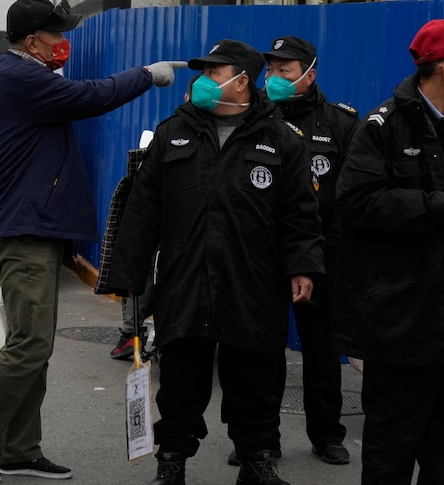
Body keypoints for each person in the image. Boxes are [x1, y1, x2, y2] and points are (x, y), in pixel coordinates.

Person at [0, 0, 185, 483]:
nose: (62, 42)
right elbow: (91, 96)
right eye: (55, 34)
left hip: (38, 228)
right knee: (29, 344)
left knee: (36, 345)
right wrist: (144, 75)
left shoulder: (21, 75)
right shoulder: (18, 76)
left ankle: (22, 451)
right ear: (32, 42)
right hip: (25, 230)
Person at [107, 39, 324, 485]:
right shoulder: (173, 133)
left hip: (254, 283)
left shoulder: (281, 139)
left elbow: (300, 213)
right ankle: (172, 461)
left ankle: (257, 459)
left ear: (242, 82)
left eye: (214, 73)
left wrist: (302, 265)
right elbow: (144, 210)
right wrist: (127, 274)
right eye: (202, 73)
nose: (203, 81)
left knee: (255, 379)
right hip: (186, 279)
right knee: (181, 378)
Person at [333, 18, 444, 484]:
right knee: (391, 447)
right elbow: (355, 202)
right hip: (402, 322)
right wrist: (430, 206)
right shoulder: (384, 125)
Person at [241, 35, 358, 466]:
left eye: (284, 71)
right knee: (263, 351)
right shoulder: (252, 118)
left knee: (323, 351)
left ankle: (327, 434)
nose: (274, 78)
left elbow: (352, 196)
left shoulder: (340, 123)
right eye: (270, 70)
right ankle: (261, 439)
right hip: (263, 257)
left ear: (309, 74)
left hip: (321, 256)